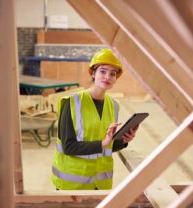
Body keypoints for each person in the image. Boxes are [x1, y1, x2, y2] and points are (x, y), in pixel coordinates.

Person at [51, 49, 138, 190]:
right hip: (73, 185)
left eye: (113, 73)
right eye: (102, 71)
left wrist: (123, 141)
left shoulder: (114, 105)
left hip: (101, 185)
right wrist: (103, 143)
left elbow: (107, 147)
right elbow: (68, 147)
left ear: (116, 78)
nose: (107, 77)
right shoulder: (72, 103)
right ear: (93, 73)